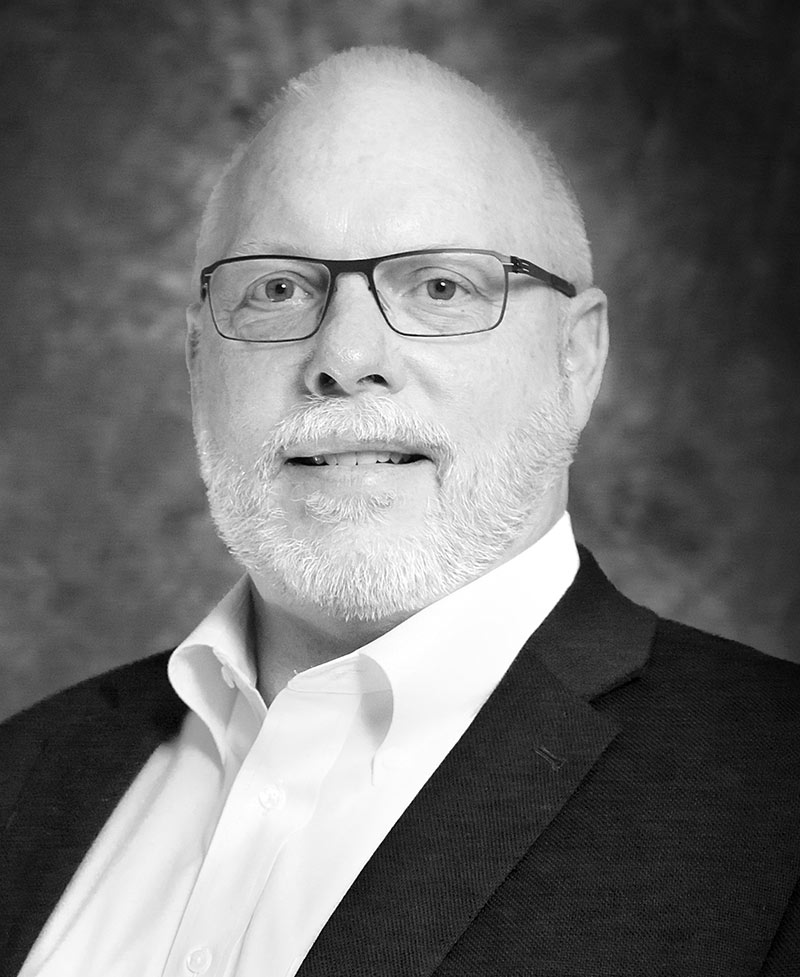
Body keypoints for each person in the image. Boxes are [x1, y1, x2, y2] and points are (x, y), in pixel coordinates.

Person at [1, 45, 798, 977]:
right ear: (195, 363)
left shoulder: (774, 791)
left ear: (577, 357)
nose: (344, 357)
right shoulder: (24, 774)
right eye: (277, 289)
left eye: (441, 287)